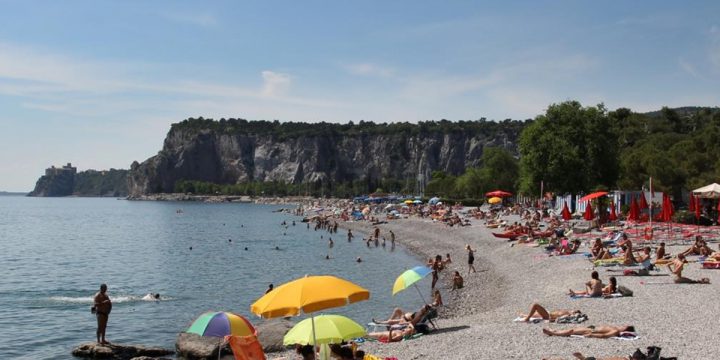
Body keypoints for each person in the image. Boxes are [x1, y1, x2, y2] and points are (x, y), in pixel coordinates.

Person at [542, 325, 635, 338]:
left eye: (624, 326)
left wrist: (592, 335)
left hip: (591, 331)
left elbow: (604, 336)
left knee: (571, 331)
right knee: (573, 330)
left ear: (625, 330)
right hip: (591, 329)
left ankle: (553, 333)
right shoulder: (616, 329)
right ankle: (555, 331)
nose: (622, 326)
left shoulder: (616, 331)